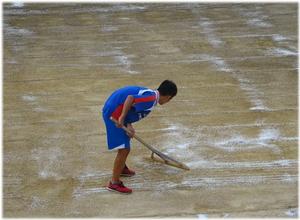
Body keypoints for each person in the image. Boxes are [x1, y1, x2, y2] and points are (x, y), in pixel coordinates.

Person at [102, 80, 177, 194]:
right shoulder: (151, 99)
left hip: (115, 108)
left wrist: (128, 124)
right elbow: (130, 98)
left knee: (125, 141)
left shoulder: (151, 96)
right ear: (168, 96)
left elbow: (131, 107)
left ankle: (121, 168)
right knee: (124, 149)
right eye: (170, 99)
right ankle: (114, 183)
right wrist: (122, 118)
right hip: (113, 113)